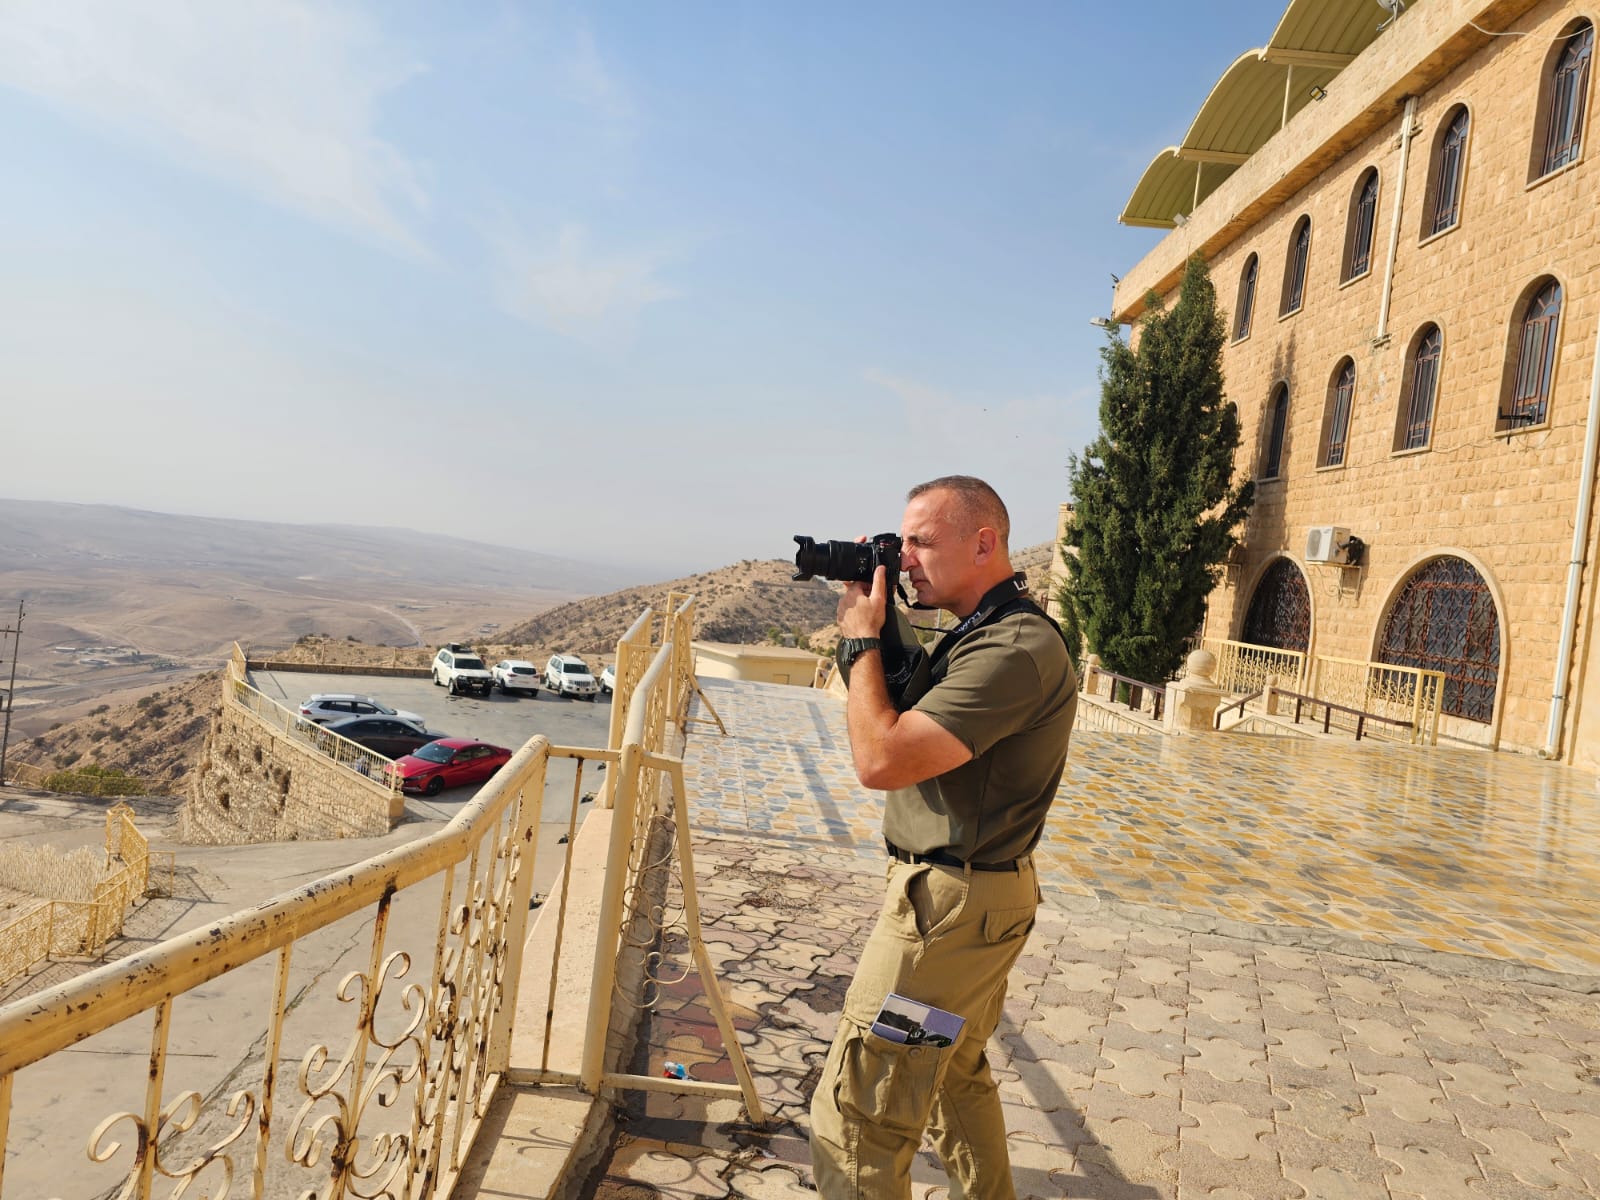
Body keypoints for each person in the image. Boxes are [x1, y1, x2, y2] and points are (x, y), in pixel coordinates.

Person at [809, 475, 1078, 1200]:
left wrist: (859, 640)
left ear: (984, 542)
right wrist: (882, 624)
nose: (909, 559)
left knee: (861, 1113)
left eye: (921, 542)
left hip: (945, 921)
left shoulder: (1015, 649)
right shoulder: (980, 634)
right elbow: (902, 700)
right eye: (902, 545)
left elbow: (882, 758)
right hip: (970, 906)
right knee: (953, 1075)